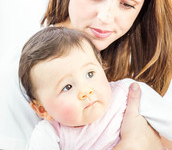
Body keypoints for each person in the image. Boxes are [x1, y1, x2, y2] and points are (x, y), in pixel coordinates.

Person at [0, 0, 172, 150]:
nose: (105, 17)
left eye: (127, 4)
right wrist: (134, 143)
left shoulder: (131, 76)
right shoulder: (24, 72)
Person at [19, 27, 172, 150]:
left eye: (90, 74)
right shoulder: (49, 134)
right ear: (42, 110)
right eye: (67, 87)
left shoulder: (129, 93)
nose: (86, 91)